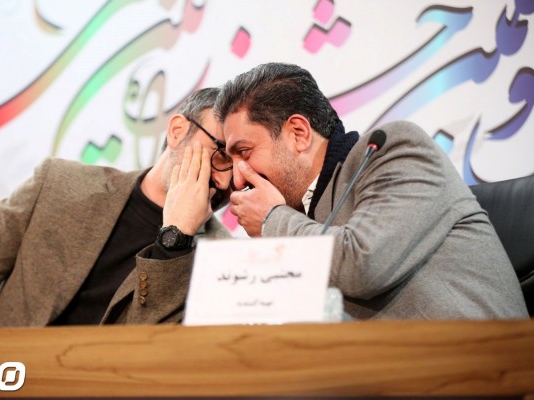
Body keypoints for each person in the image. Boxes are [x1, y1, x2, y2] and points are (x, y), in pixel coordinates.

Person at [215, 62, 528, 320]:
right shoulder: (298, 214)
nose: (238, 180)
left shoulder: (393, 150)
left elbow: (364, 265)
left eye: (244, 152)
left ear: (298, 134)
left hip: (476, 364)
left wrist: (271, 219)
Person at [0, 87, 233, 327]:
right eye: (221, 155)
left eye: (242, 169)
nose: (224, 180)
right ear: (178, 131)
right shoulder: (58, 182)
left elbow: (153, 350)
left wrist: (176, 239)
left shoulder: (223, 260)